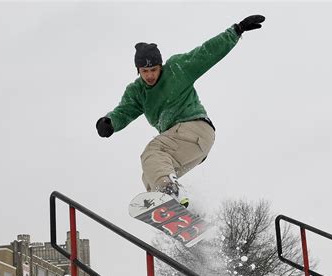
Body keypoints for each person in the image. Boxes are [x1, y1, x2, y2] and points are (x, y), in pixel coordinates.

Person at [96, 15, 265, 205]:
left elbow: (206, 53)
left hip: (195, 128)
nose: (150, 75)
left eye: (154, 70)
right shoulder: (137, 92)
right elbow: (124, 111)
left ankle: (172, 193)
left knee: (152, 152)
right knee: (150, 175)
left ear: (161, 66)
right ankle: (185, 209)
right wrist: (110, 122)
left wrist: (236, 30)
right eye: (145, 71)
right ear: (138, 70)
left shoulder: (177, 69)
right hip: (189, 147)